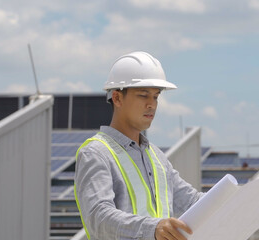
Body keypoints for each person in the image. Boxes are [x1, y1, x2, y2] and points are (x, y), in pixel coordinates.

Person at [74, 51, 204, 240]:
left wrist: (234, 200)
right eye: (144, 96)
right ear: (117, 98)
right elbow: (98, 218)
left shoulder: (157, 156)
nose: (152, 104)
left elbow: (191, 201)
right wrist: (153, 228)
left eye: (156, 97)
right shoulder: (96, 153)